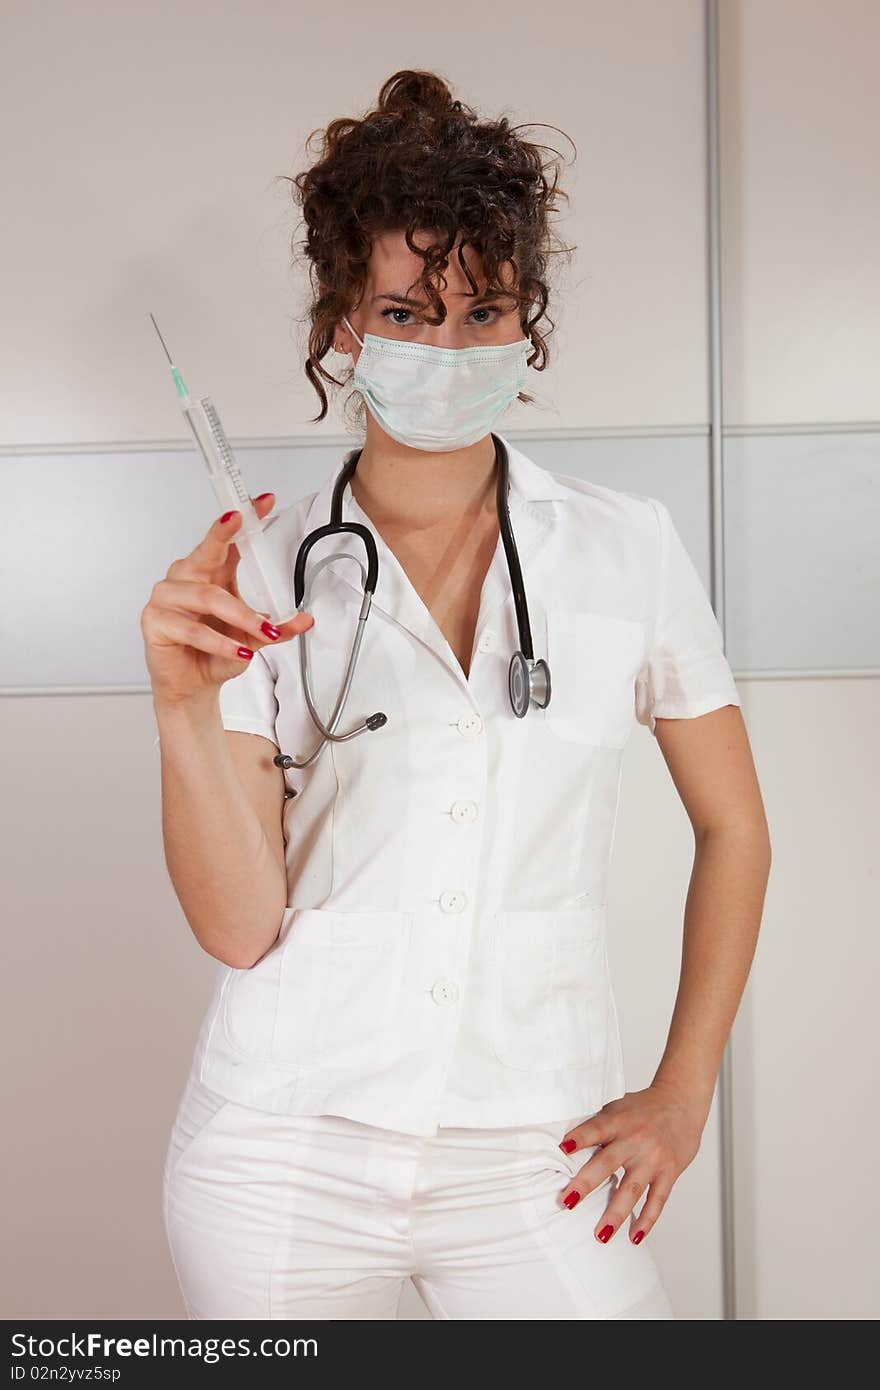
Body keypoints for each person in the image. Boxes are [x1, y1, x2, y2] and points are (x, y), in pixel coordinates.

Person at [143, 70, 771, 1321]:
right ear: (340, 327)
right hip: (286, 1145)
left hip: (536, 1140)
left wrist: (682, 1088)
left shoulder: (624, 546)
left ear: (523, 322)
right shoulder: (256, 567)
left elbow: (734, 827)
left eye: (481, 311)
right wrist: (178, 708)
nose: (444, 348)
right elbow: (238, 927)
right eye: (402, 311)